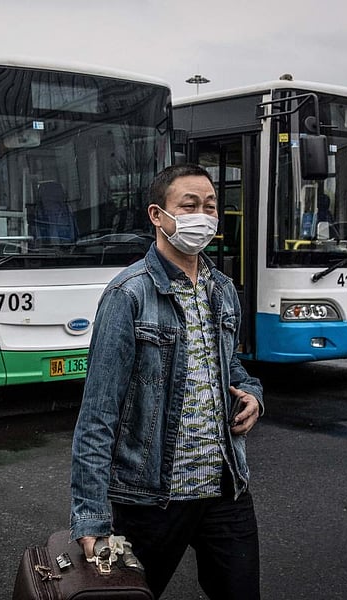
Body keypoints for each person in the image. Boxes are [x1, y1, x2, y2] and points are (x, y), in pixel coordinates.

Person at [70, 164, 264, 599]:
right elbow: (98, 413)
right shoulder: (129, 295)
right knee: (131, 595)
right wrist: (91, 518)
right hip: (151, 496)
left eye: (210, 206)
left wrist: (252, 394)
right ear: (158, 216)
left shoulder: (222, 289)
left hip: (225, 485)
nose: (204, 216)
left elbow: (229, 366)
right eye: (190, 205)